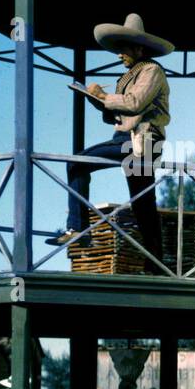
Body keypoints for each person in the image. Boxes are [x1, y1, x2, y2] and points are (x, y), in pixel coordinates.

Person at [46, 14, 172, 262]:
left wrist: (102, 96)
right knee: (143, 203)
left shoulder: (152, 71)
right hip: (130, 139)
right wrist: (95, 97)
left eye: (123, 48)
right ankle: (155, 261)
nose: (118, 54)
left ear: (138, 47)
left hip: (142, 139)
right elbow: (116, 112)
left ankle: (78, 228)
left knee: (77, 161)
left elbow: (134, 103)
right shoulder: (130, 75)